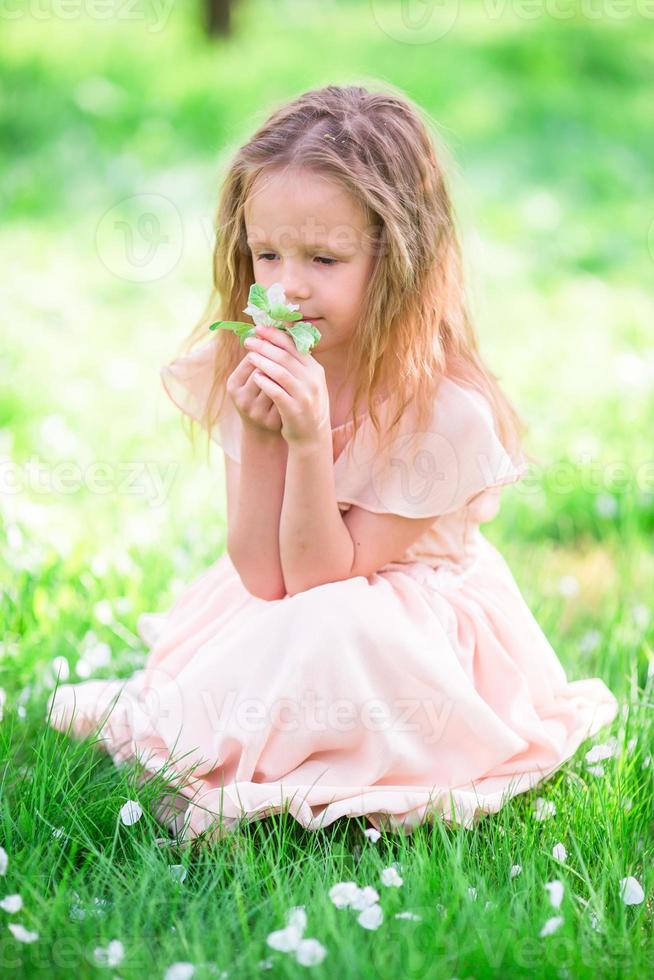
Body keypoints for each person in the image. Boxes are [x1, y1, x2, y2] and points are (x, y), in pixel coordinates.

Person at [45, 83, 619, 843]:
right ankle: (234, 740)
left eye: (324, 257)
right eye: (267, 254)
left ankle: (305, 758)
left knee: (335, 629)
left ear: (401, 258)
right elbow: (265, 577)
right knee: (282, 635)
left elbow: (327, 585)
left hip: (400, 623)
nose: (286, 286)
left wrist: (311, 441)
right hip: (290, 587)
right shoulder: (251, 361)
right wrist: (262, 436)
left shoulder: (441, 415)